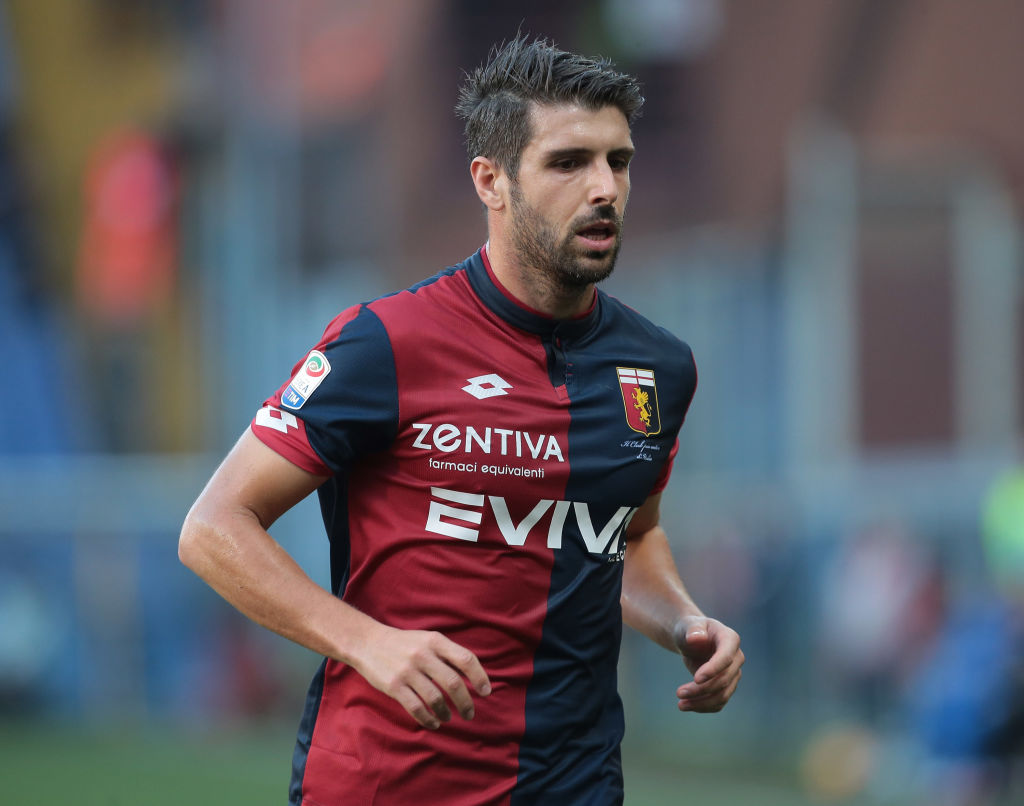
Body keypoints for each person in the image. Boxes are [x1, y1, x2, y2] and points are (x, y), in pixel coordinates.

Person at [179, 35, 744, 805]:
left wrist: (684, 623)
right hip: (386, 783)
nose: (605, 187)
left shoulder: (659, 367)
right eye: (569, 162)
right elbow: (213, 527)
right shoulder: (386, 343)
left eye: (619, 160)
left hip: (573, 783)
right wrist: (366, 642)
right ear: (491, 181)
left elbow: (628, 534)